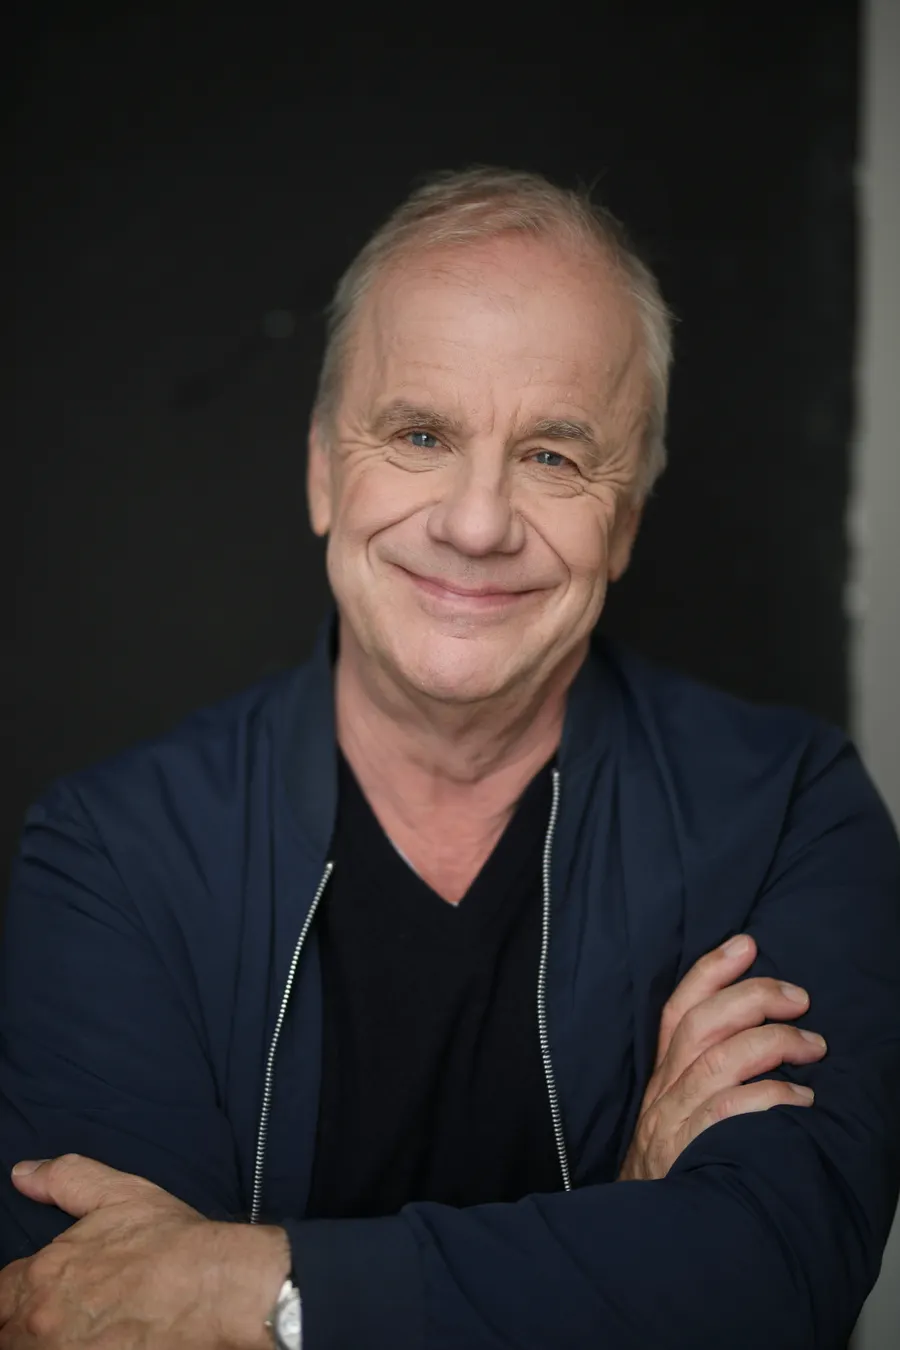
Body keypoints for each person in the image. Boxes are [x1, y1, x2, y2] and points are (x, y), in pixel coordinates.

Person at [0, 167, 898, 1350]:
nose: (477, 524)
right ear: (324, 472)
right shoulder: (114, 853)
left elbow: (776, 1283)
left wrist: (245, 1289)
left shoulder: (787, 812)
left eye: (554, 457)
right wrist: (631, 1228)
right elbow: (97, 1318)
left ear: (626, 522)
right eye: (420, 435)